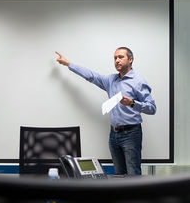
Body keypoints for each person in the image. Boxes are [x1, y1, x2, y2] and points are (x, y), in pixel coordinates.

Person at [55, 47, 156, 175]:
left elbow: (152, 108)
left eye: (120, 57)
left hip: (131, 134)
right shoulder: (111, 80)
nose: (117, 60)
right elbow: (91, 76)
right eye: (115, 58)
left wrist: (132, 103)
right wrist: (69, 64)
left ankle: (134, 196)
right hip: (114, 134)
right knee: (119, 175)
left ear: (130, 59)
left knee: (133, 175)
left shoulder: (138, 81)